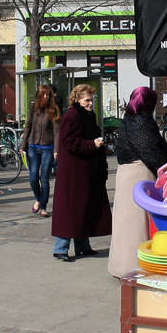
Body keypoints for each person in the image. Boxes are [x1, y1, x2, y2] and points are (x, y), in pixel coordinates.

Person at [108, 86, 167, 278]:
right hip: (138, 174)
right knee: (135, 222)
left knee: (125, 222)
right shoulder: (141, 120)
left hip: (127, 173)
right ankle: (132, 266)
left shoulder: (129, 118)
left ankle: (121, 265)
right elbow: (150, 151)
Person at [51, 84, 112, 262]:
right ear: (77, 99)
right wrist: (92, 144)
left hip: (83, 170)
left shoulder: (85, 115)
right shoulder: (72, 115)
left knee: (82, 208)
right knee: (71, 210)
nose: (90, 103)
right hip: (73, 172)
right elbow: (69, 142)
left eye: (91, 100)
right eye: (87, 100)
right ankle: (61, 248)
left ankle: (83, 246)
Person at [20, 85, 60, 218]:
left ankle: (43, 206)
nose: (46, 97)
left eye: (48, 95)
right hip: (33, 146)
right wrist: (23, 144)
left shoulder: (53, 109)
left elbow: (56, 131)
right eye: (44, 94)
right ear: (39, 95)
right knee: (32, 177)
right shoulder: (33, 108)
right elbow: (28, 127)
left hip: (48, 147)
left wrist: (56, 150)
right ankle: (38, 198)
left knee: (44, 178)